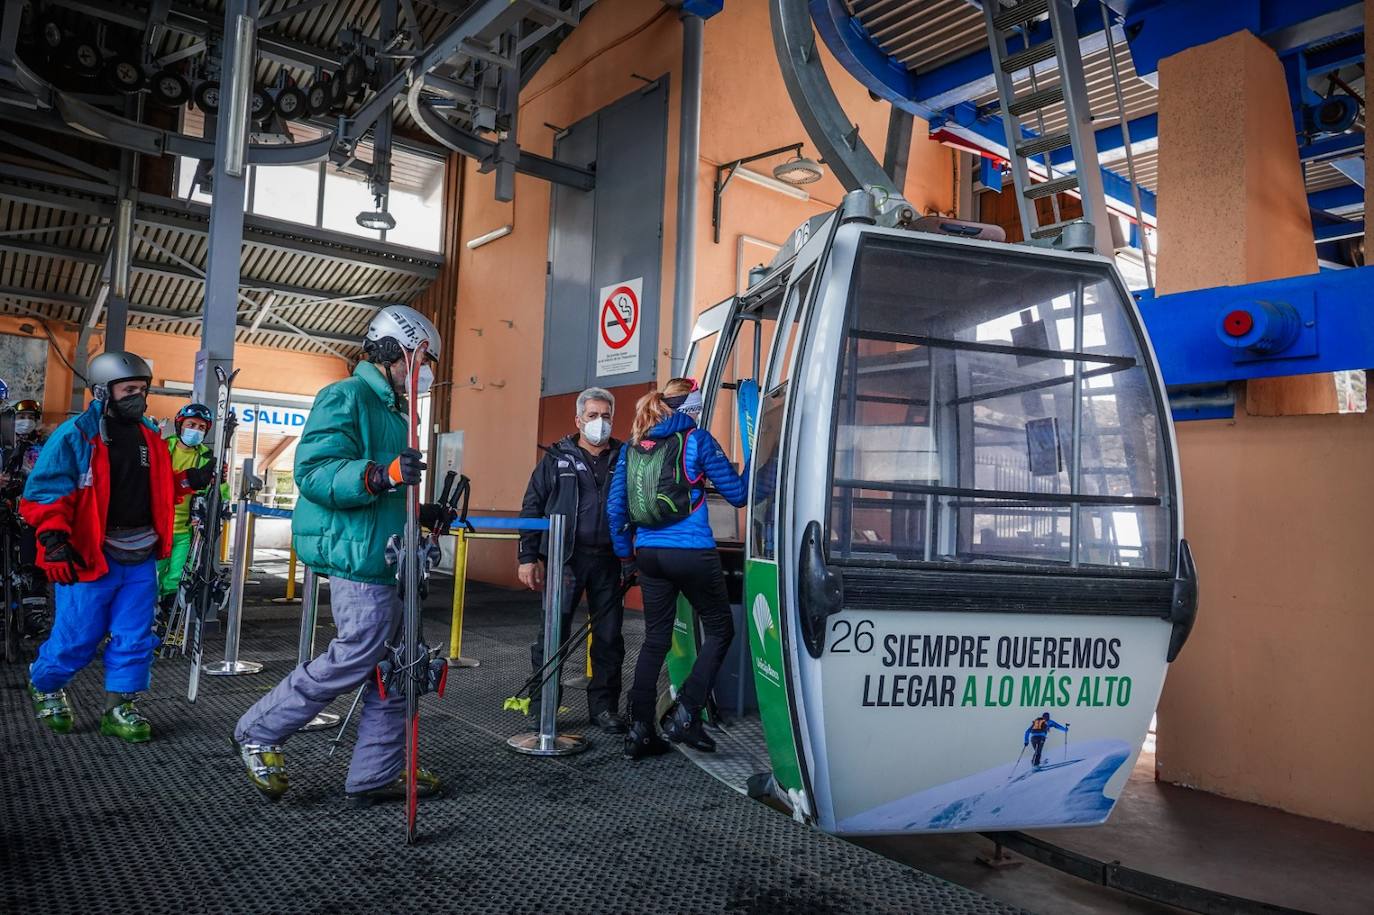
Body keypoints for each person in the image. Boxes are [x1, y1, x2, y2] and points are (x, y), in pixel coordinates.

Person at [232, 304, 448, 806]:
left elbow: (392, 483)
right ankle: (259, 731)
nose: (426, 369)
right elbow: (315, 472)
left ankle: (375, 773)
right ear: (396, 350)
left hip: (392, 557)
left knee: (401, 665)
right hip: (360, 559)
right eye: (421, 357)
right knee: (356, 656)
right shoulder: (345, 397)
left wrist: (421, 508)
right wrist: (378, 475)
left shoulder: (398, 410)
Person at [21, 352, 213, 742]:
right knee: (78, 637)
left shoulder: (150, 437)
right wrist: (53, 540)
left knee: (136, 634)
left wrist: (188, 480)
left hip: (140, 553)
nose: (138, 397)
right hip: (91, 554)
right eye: (129, 390)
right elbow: (45, 491)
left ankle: (120, 706)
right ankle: (45, 683)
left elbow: (155, 487)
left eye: (142, 390)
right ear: (102, 391)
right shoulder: (76, 434)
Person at [607, 377, 748, 760]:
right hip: (691, 552)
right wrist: (758, 460)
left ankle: (639, 732)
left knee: (655, 640)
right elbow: (738, 494)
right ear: (688, 409)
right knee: (721, 629)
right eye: (699, 409)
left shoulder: (632, 447)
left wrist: (627, 559)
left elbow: (615, 510)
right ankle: (686, 712)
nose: (700, 415)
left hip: (648, 554)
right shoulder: (696, 440)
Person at [517, 387, 627, 733]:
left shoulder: (625, 457)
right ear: (578, 420)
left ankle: (605, 708)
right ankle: (542, 705)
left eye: (606, 416)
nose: (600, 422)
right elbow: (532, 506)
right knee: (553, 634)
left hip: (610, 560)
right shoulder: (556, 458)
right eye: (593, 416)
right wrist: (528, 556)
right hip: (565, 560)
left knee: (609, 637)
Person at [155, 403, 228, 623]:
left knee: (177, 576)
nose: (195, 430)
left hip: (187, 530)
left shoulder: (207, 458)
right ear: (180, 425)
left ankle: (167, 618)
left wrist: (221, 499)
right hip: (157, 528)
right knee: (150, 576)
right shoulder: (161, 449)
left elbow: (219, 491)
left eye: (200, 427)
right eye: (191, 425)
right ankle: (144, 618)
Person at [2, 399, 51, 638]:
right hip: (7, 510)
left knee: (33, 562)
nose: (25, 422)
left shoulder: (44, 447)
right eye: (21, 418)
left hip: (33, 513)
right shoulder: (6, 446)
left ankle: (35, 614)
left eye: (30, 417)